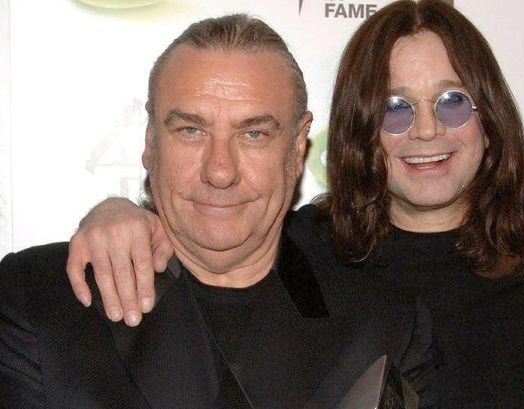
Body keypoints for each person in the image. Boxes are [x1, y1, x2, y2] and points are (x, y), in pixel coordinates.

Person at [64, 0, 524, 408]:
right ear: (361, 126)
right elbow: (203, 226)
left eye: (452, 102)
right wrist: (118, 212)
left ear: (488, 116)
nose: (427, 130)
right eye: (395, 108)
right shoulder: (306, 245)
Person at [0, 14, 437, 409]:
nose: (220, 171)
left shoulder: (384, 326)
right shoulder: (39, 300)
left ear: (297, 147)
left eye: (253, 134)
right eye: (191, 130)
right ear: (151, 141)